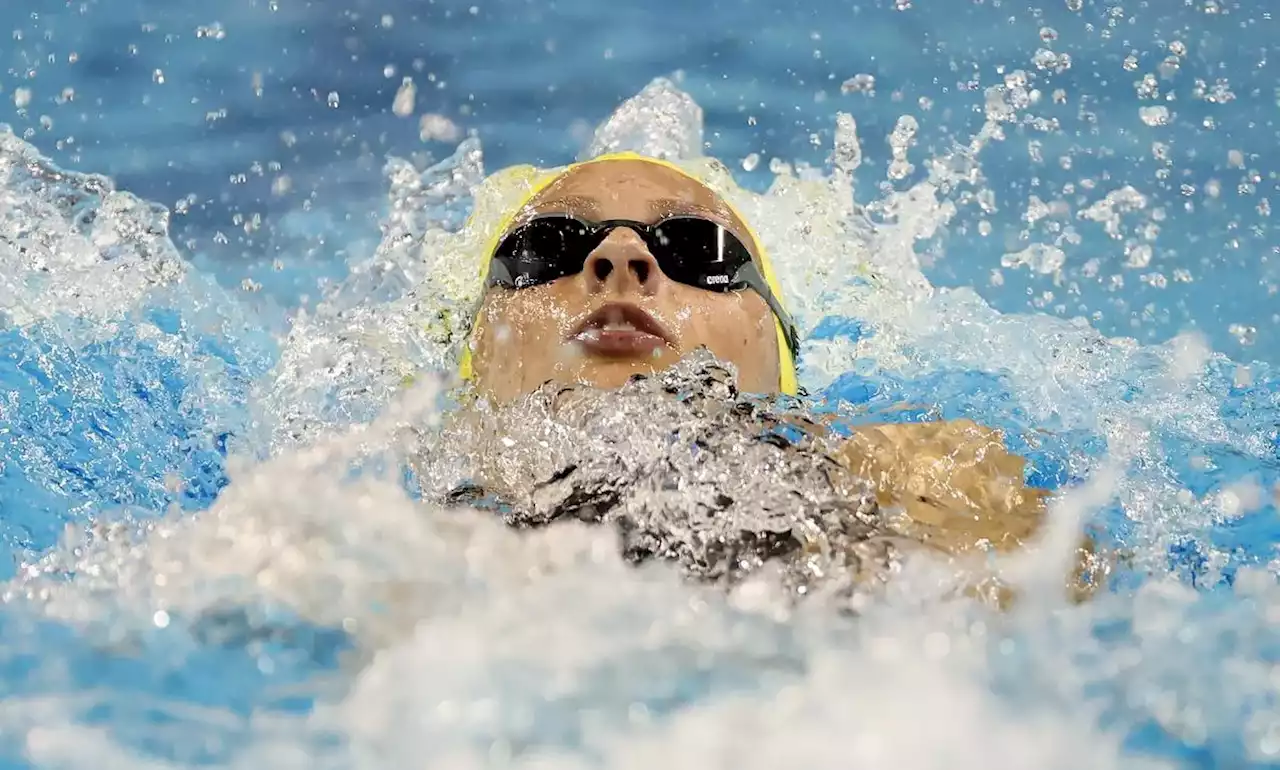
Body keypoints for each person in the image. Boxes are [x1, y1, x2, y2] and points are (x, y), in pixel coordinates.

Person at [440, 151, 1099, 605]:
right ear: (475, 355)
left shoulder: (911, 471)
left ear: (778, 358)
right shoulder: (379, 523)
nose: (622, 256)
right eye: (547, 245)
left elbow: (1049, 614)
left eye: (700, 249)